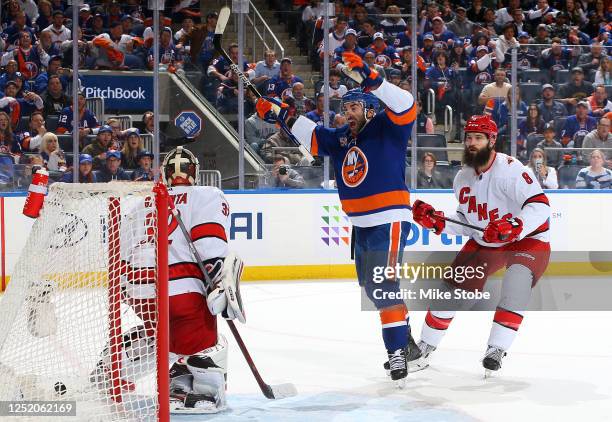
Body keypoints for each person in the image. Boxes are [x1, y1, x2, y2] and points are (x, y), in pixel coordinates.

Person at [258, 51, 417, 386]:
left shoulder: (389, 128)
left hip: (389, 219)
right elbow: (314, 137)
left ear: (370, 108)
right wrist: (280, 115)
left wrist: (375, 81)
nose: (348, 113)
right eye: (345, 109)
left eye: (354, 107)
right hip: (360, 226)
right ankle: (405, 336)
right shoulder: (343, 138)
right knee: (372, 288)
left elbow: (407, 104)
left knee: (384, 285)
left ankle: (396, 353)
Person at [410, 115, 551, 375]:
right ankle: (425, 347)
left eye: (478, 138)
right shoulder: (462, 178)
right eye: (468, 138)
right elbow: (466, 220)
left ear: (492, 140)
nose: (472, 143)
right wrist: (438, 222)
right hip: (487, 241)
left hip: (529, 240)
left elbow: (540, 206)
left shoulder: (511, 169)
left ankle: (496, 348)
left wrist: (516, 226)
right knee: (450, 291)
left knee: (516, 282)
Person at [119, 146, 244, 412]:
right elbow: (210, 244)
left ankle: (139, 375)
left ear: (165, 174)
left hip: (139, 292)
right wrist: (219, 285)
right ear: (194, 172)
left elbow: (122, 254)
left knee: (165, 333)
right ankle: (199, 394)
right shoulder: (206, 195)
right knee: (203, 345)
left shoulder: (143, 204)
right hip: (182, 289)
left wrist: (129, 292)